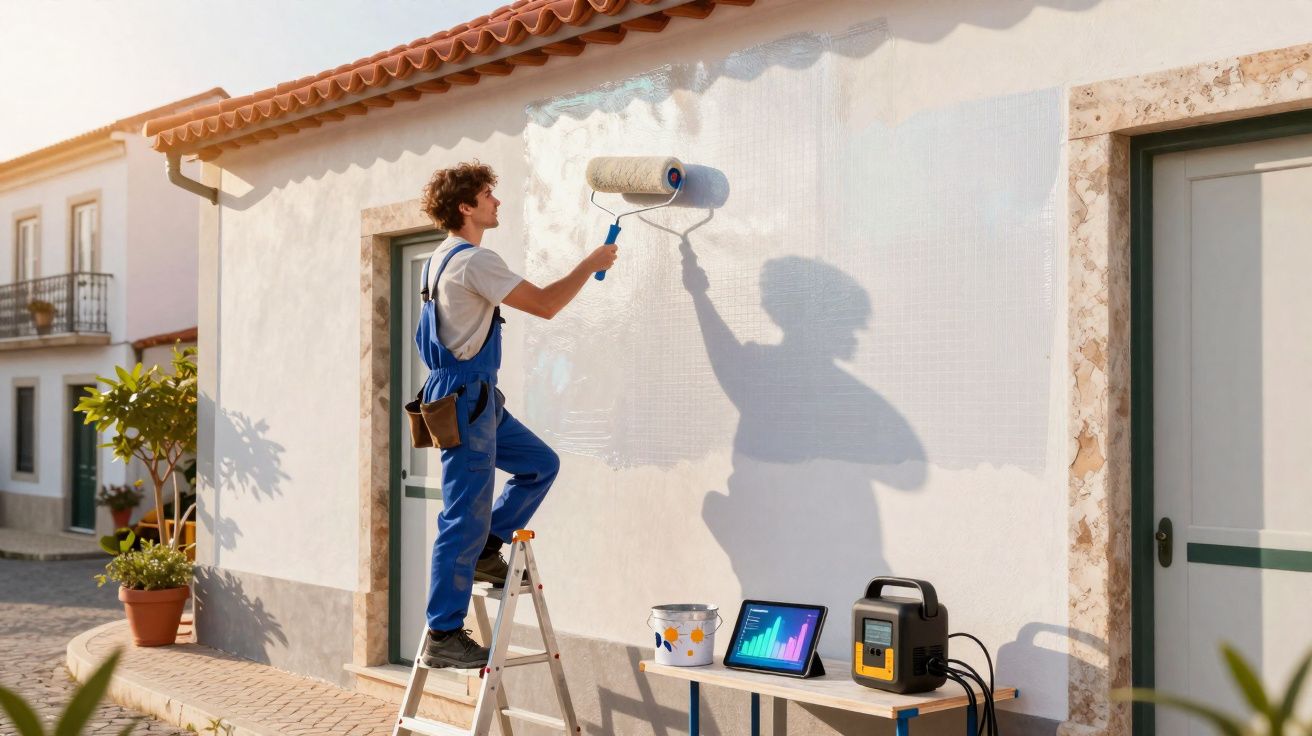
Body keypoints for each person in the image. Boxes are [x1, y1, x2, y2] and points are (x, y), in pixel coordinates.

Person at [414, 161, 617, 669]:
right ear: (466, 206)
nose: (496, 202)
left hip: (471, 396)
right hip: (466, 398)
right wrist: (590, 263)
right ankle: (443, 633)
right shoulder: (473, 262)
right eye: (488, 195)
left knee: (539, 464)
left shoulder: (437, 260)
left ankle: (489, 548)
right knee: (462, 516)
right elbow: (546, 305)